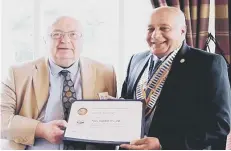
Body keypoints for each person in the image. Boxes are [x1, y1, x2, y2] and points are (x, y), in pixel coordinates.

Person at [120, 6, 231, 150]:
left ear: (182, 31)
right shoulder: (135, 60)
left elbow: (218, 126)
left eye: (164, 28)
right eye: (150, 29)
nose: (155, 35)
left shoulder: (208, 64)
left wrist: (163, 144)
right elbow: (128, 106)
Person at [1, 16, 117, 150]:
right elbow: (2, 119)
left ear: (82, 41)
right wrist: (41, 130)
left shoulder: (106, 73)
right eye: (56, 34)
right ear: (45, 40)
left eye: (73, 34)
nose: (65, 40)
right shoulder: (18, 73)